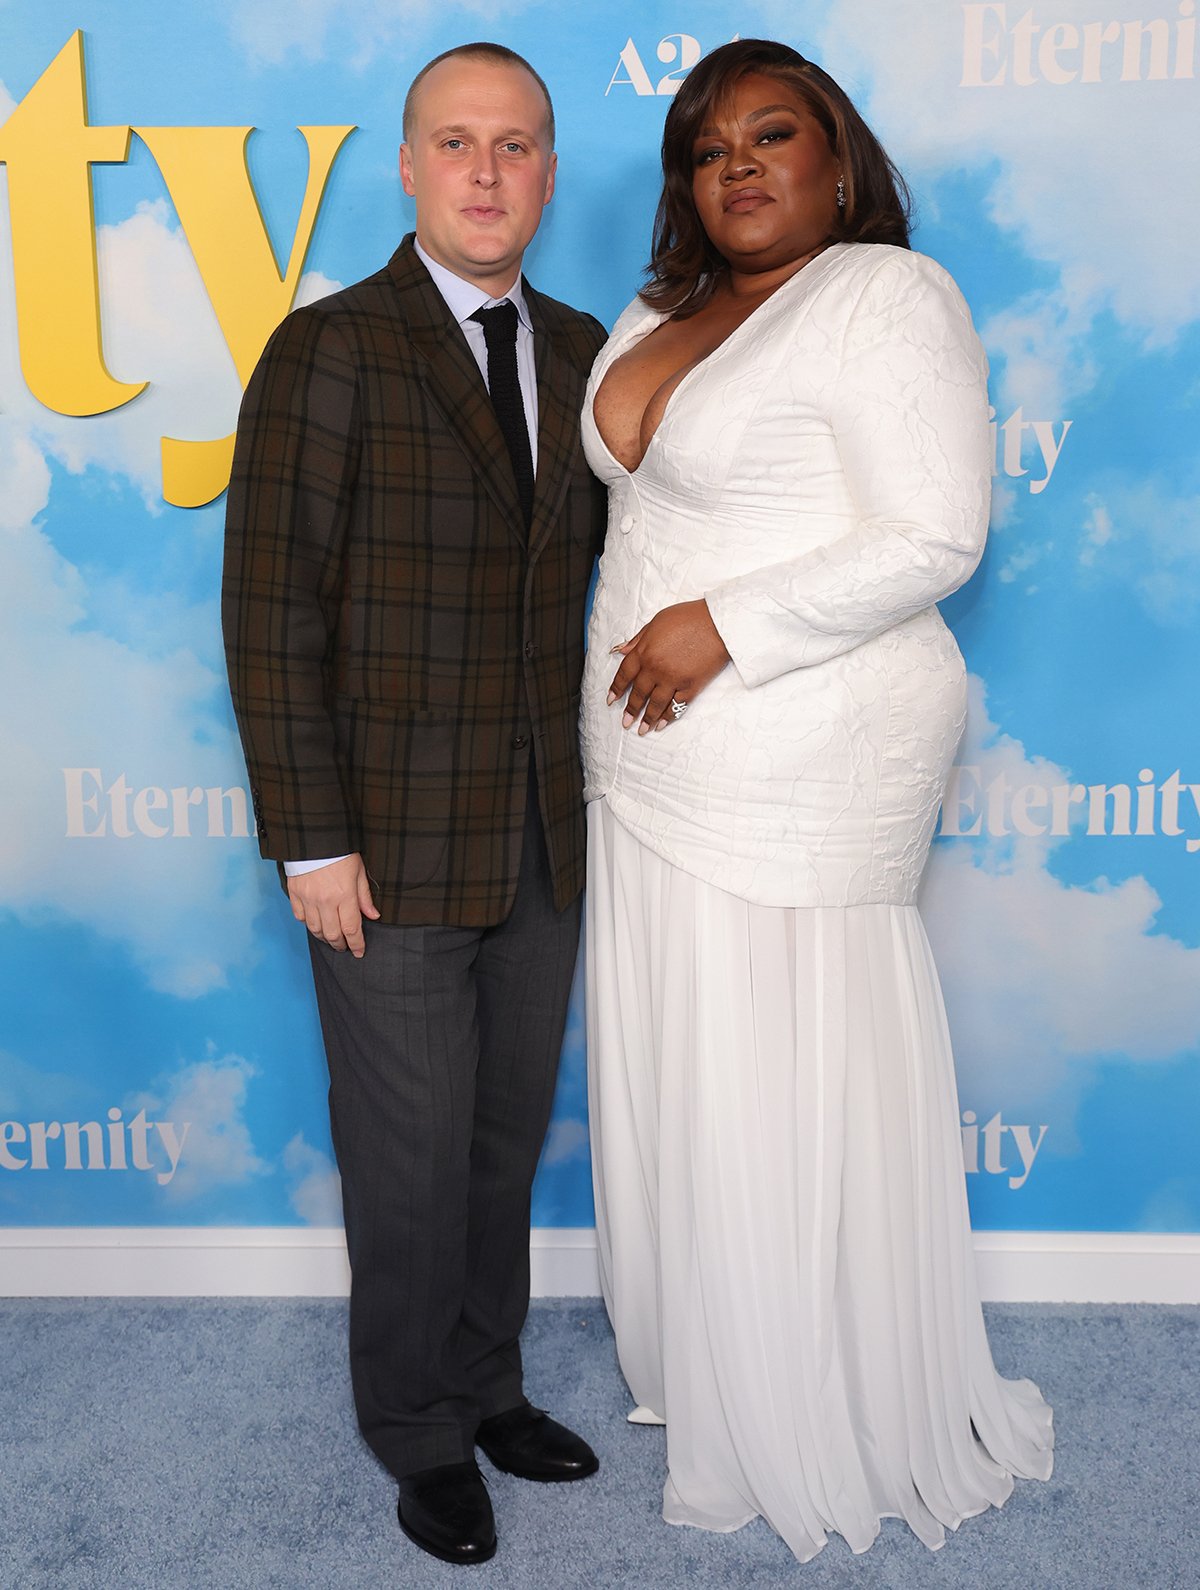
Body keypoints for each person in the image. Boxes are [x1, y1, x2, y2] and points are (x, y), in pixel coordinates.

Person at [581, 38, 1054, 1562]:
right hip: (649, 756)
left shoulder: (887, 296)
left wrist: (726, 624)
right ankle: (707, 1369)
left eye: (772, 135)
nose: (738, 165)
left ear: (836, 160)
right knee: (682, 1056)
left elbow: (935, 531)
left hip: (801, 742)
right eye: (708, 146)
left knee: (776, 1057)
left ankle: (816, 1394)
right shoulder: (662, 310)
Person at [222, 43, 606, 1568]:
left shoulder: (584, 348)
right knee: (407, 1149)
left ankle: (488, 1379)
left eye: (516, 144)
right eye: (458, 142)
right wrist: (311, 835)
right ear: (409, 165)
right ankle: (415, 1425)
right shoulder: (330, 349)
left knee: (503, 1140)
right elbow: (270, 611)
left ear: (551, 170)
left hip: (539, 834)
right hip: (377, 846)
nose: (488, 171)